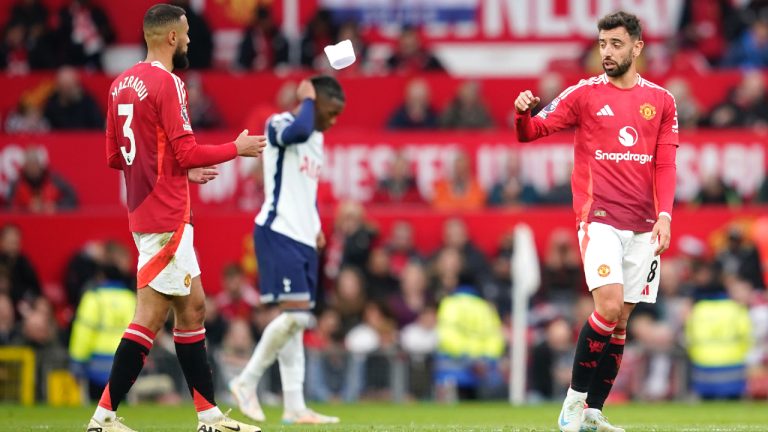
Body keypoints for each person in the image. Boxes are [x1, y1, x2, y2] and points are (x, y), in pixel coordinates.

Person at [86, 4, 266, 432]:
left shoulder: (119, 84)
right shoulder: (168, 83)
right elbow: (184, 149)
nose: (188, 39)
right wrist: (233, 148)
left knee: (193, 309)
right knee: (150, 317)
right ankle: (104, 418)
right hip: (166, 214)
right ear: (170, 37)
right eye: (185, 33)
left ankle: (208, 417)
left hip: (149, 210)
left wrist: (179, 170)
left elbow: (117, 156)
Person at [514, 11, 678, 432]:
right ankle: (572, 402)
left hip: (644, 225)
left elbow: (666, 164)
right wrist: (522, 114)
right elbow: (530, 132)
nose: (606, 52)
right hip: (600, 217)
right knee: (606, 307)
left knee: (622, 322)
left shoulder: (661, 101)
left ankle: (593, 412)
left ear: (637, 47)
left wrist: (664, 216)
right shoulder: (583, 94)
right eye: (602, 44)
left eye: (616, 44)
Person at [228, 75, 345, 424]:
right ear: (312, 102)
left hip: (303, 236)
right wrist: (308, 99)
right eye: (330, 111)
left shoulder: (318, 138)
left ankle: (294, 406)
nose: (333, 120)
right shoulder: (280, 123)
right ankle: (245, 382)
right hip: (277, 231)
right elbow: (298, 132)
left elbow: (305, 189)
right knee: (295, 317)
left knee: (296, 323)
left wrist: (317, 226)